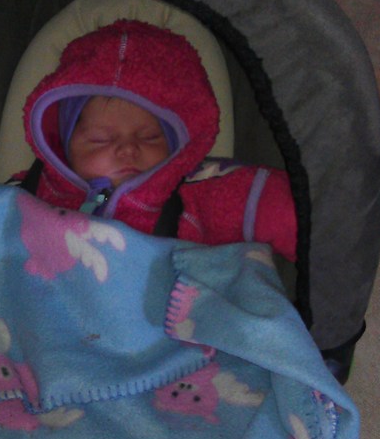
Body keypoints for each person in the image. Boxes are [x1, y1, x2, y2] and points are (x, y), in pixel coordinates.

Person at [15, 19, 297, 260]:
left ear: (175, 142)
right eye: (100, 139)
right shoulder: (28, 192)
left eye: (149, 137)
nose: (128, 149)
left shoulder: (203, 191)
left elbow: (290, 210)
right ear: (63, 146)